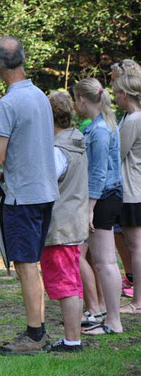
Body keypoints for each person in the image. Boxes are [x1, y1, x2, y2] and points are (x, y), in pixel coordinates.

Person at [0, 36, 59, 355]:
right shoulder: (40, 96)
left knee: (25, 265)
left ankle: (35, 335)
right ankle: (38, 330)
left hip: (22, 196)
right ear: (22, 60)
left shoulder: (7, 103)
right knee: (32, 264)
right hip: (46, 190)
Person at [73, 78, 124, 335]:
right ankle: (106, 316)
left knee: (105, 263)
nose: (74, 104)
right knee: (104, 262)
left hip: (103, 199)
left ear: (82, 100)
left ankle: (113, 321)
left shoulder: (101, 131)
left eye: (75, 99)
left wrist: (90, 207)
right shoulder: (97, 127)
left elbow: (98, 173)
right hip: (103, 198)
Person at [42, 92, 88, 352]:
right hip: (73, 220)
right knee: (71, 280)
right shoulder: (75, 141)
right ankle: (73, 337)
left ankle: (72, 340)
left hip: (61, 225)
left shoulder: (59, 149)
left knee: (65, 283)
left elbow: (46, 181)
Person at [111, 59, 141, 298]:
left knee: (136, 246)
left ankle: (138, 299)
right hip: (133, 187)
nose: (115, 98)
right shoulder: (131, 118)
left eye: (117, 94)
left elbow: (118, 153)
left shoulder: (132, 120)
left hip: (132, 190)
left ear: (127, 94)